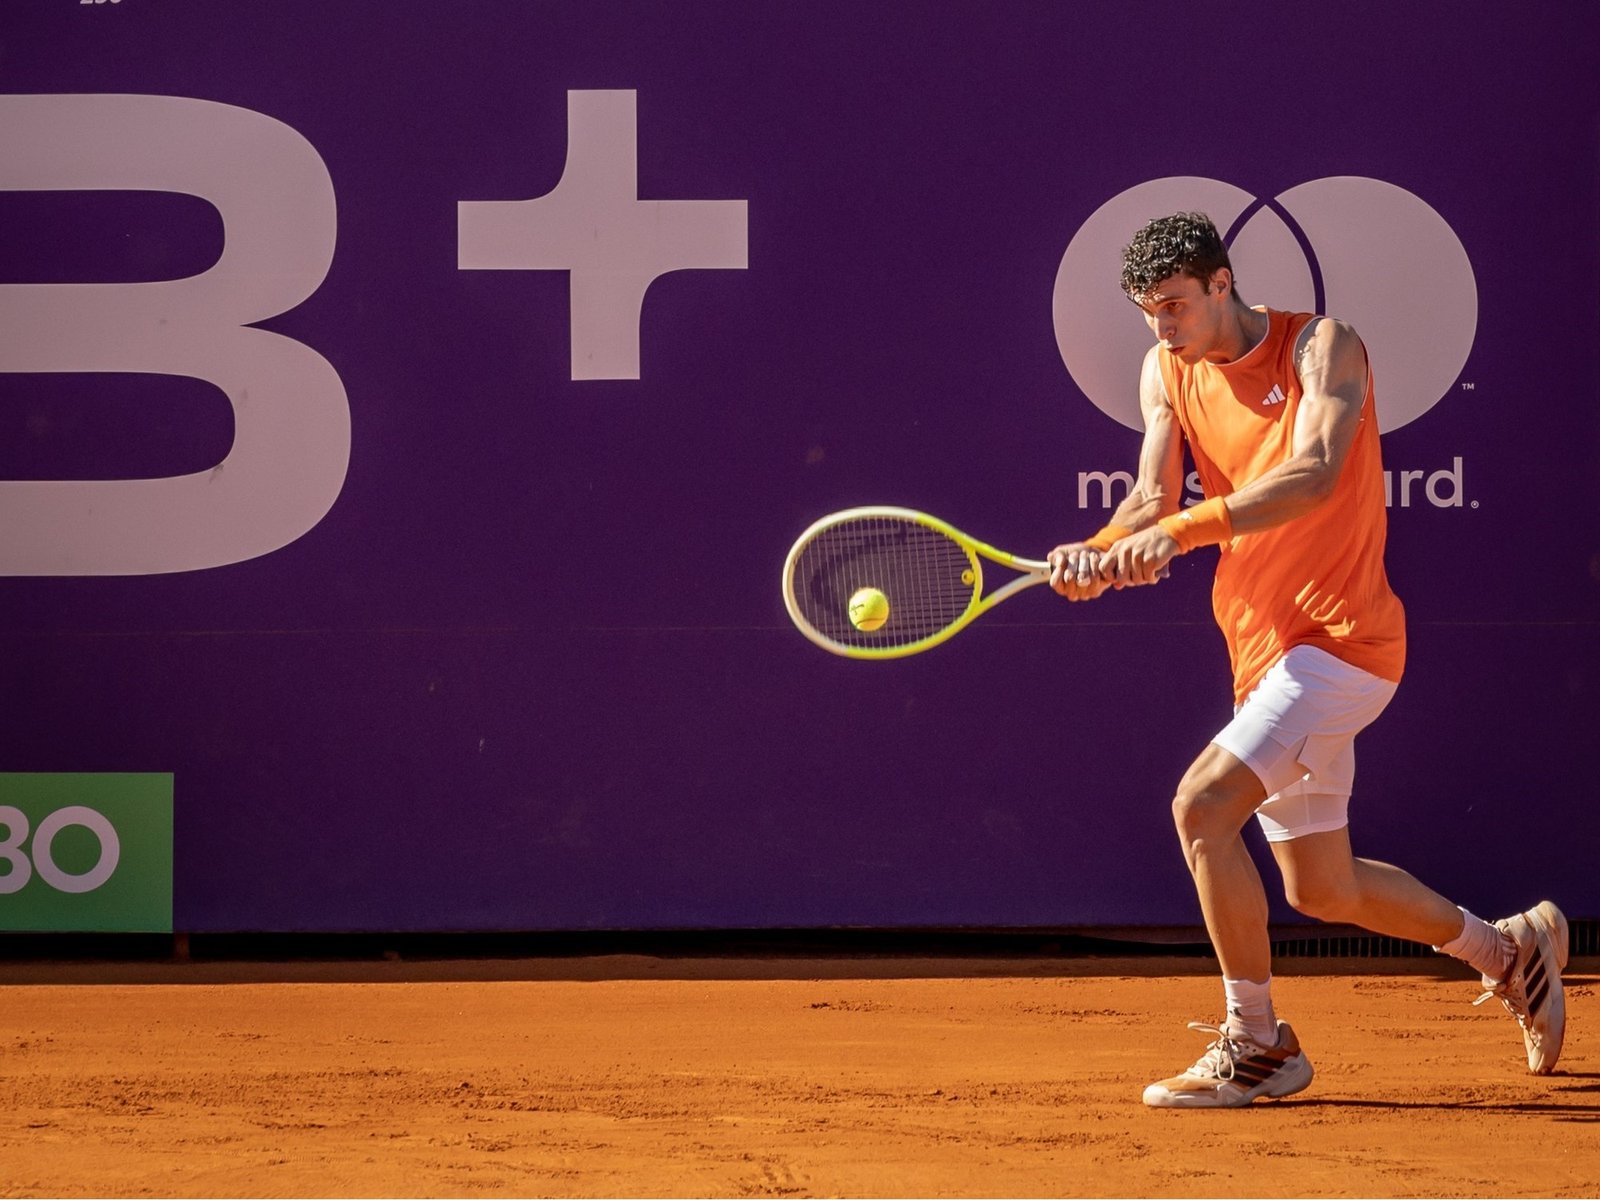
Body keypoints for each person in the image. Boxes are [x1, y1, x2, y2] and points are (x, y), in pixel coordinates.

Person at [1047, 212, 1567, 1108]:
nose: (1162, 326)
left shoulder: (1322, 347)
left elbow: (1317, 469)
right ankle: (1508, 949)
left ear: (1222, 284)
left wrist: (1180, 532)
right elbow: (1149, 498)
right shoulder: (1165, 369)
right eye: (1147, 311)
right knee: (1323, 886)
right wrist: (1098, 551)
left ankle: (1258, 1043)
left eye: (1175, 304)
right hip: (1260, 649)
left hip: (1342, 642)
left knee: (1201, 806)